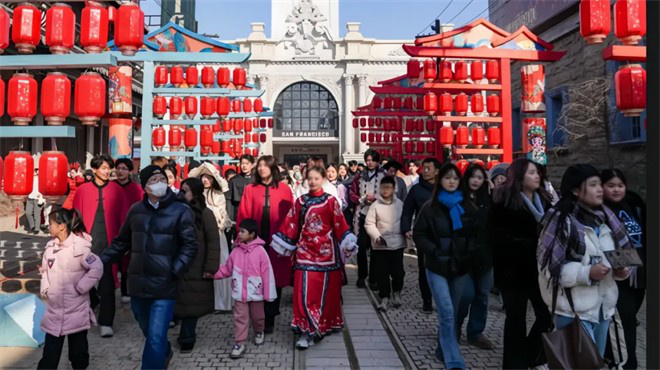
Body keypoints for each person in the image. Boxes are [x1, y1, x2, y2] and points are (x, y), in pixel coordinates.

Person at [101, 165, 198, 370]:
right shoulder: (136, 210)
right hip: (138, 283)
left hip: (165, 284)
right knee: (147, 329)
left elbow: (191, 245)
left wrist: (175, 269)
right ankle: (164, 351)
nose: (159, 183)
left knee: (154, 337)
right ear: (144, 186)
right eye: (153, 181)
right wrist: (99, 260)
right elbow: (121, 242)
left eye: (161, 179)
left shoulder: (181, 210)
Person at [538, 164, 631, 357]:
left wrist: (622, 271)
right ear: (575, 190)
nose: (600, 189)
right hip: (573, 311)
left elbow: (620, 258)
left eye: (600, 184)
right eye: (593, 185)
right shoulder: (560, 221)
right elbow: (547, 269)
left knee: (594, 363)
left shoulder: (608, 218)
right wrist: (586, 273)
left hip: (603, 310)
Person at [272, 166, 357, 349]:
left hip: (327, 255)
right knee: (303, 293)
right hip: (304, 253)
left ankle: (323, 325)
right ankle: (306, 330)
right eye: (309, 178)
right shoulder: (300, 202)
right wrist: (285, 243)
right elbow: (292, 223)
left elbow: (339, 224)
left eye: (316, 178)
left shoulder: (331, 201)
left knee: (326, 295)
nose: (312, 181)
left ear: (323, 179)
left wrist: (347, 241)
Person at [489, 158, 552, 369]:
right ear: (519, 176)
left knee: (546, 316)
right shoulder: (503, 202)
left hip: (540, 271)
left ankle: (527, 356)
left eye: (538, 173)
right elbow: (497, 239)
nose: (537, 176)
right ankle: (513, 365)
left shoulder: (545, 200)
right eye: (532, 172)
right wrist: (530, 244)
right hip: (512, 271)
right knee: (516, 320)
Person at [413, 163, 470, 369]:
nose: (452, 181)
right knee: (446, 310)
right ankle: (453, 360)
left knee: (452, 313)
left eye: (455, 178)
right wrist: (434, 250)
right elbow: (419, 234)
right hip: (437, 266)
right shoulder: (430, 207)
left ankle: (442, 347)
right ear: (440, 181)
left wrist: (467, 253)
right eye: (447, 178)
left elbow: (475, 234)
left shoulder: (466, 206)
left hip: (459, 267)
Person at [38, 209, 103, 370]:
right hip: (54, 312)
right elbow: (45, 270)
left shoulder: (80, 248)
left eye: (51, 223)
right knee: (49, 357)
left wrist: (81, 287)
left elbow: (97, 267)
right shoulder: (50, 249)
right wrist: (46, 287)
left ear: (61, 226)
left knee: (78, 355)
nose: (48, 226)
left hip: (77, 311)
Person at [236, 155, 294, 333]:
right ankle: (259, 317)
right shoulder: (250, 189)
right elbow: (243, 214)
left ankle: (271, 315)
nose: (261, 168)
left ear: (273, 168)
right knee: (257, 278)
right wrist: (243, 237)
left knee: (275, 278)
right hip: (256, 240)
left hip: (277, 241)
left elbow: (291, 216)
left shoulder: (284, 189)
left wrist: (288, 238)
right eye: (259, 165)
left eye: (265, 165)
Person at [73, 154, 129, 338]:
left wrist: (122, 241)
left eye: (108, 168)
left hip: (109, 242)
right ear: (95, 169)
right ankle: (85, 313)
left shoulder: (116, 190)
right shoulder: (83, 190)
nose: (108, 171)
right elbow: (76, 217)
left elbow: (123, 217)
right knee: (83, 282)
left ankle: (106, 322)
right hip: (87, 242)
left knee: (107, 283)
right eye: (104, 168)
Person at [211, 219, 276, 358]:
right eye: (239, 231)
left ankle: (259, 330)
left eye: (242, 231)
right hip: (239, 292)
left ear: (252, 234)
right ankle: (240, 342)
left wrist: (268, 293)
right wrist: (213, 274)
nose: (239, 234)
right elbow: (227, 268)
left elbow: (267, 273)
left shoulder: (260, 252)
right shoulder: (236, 252)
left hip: (256, 292)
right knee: (240, 317)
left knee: (258, 316)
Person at [601, 169, 645, 369]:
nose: (616, 189)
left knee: (629, 320)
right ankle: (625, 363)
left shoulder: (633, 205)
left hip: (638, 276)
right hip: (618, 277)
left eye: (620, 185)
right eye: (611, 185)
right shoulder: (600, 211)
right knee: (623, 320)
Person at [173, 178, 220, 353]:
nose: (182, 193)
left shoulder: (205, 214)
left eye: (186, 190)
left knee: (191, 304)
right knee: (178, 300)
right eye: (181, 189)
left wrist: (210, 267)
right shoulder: (174, 210)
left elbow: (213, 243)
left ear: (196, 192)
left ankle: (187, 337)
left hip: (197, 265)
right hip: (177, 262)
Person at [455, 164, 494, 350]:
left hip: (485, 256)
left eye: (480, 177)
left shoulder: (489, 200)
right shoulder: (458, 199)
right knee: (466, 294)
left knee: (482, 296)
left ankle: (475, 332)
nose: (476, 180)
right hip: (464, 256)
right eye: (473, 176)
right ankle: (456, 325)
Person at [187, 163, 232, 313]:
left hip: (216, 234)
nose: (205, 180)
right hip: (199, 234)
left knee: (220, 264)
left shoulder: (218, 195)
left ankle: (221, 303)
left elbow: (222, 215)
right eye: (203, 177)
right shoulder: (195, 195)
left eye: (208, 177)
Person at [401, 157, 441, 312]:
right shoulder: (416, 189)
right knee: (424, 268)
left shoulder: (443, 188)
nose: (424, 171)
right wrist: (406, 228)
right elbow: (407, 210)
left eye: (428, 168)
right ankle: (427, 300)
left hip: (443, 234)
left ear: (436, 171)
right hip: (423, 234)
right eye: (423, 168)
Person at [364, 175, 406, 311]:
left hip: (398, 244)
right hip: (380, 245)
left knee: (398, 272)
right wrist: (376, 236)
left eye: (388, 187)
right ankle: (384, 297)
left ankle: (397, 292)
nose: (386, 190)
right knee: (382, 273)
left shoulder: (400, 204)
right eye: (383, 187)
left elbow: (406, 221)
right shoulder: (375, 206)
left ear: (394, 189)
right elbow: (369, 223)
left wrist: (408, 232)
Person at [349, 149, 386, 289]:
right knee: (361, 246)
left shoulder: (384, 175)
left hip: (378, 215)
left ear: (377, 161)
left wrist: (376, 198)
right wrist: (361, 199)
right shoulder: (359, 176)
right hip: (362, 213)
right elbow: (352, 193)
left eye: (372, 160)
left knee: (375, 247)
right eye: (368, 160)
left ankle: (374, 278)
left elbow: (389, 192)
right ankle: (362, 276)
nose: (370, 163)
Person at [114, 158, 144, 304]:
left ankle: (126, 290)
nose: (120, 171)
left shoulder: (136, 189)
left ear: (130, 171)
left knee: (127, 263)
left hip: (130, 230)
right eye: (118, 168)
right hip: (112, 227)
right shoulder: (111, 187)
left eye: (124, 168)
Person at [227, 155, 255, 225]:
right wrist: (230, 218)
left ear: (252, 165)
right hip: (239, 213)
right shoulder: (234, 180)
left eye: (247, 163)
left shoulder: (257, 179)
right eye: (242, 163)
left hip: (255, 213)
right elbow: (229, 200)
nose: (244, 166)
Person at [26, 167, 45, 235]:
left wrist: (41, 196)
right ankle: (32, 226)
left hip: (37, 198)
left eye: (36, 171)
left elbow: (44, 188)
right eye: (34, 171)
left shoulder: (42, 179)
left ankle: (37, 229)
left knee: (37, 214)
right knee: (28, 212)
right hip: (29, 197)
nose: (35, 172)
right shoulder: (29, 178)